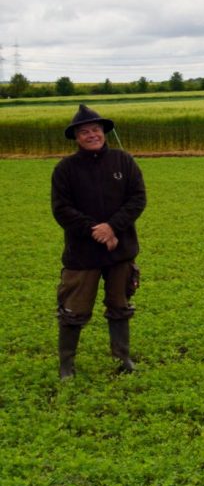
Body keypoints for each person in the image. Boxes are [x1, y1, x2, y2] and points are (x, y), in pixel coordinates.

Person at [51, 104, 147, 378]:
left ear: (103, 132)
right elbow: (61, 209)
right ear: (76, 138)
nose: (91, 135)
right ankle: (66, 366)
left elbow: (137, 199)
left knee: (120, 305)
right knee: (73, 310)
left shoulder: (123, 161)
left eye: (95, 130)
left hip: (121, 251)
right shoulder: (65, 169)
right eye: (84, 132)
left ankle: (122, 359)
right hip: (82, 254)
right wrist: (96, 230)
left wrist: (112, 227)